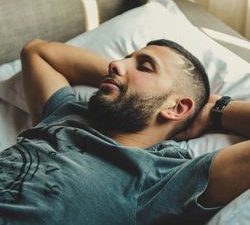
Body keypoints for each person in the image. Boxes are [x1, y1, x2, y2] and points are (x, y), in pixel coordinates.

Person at [0, 39, 250, 225]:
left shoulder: (164, 178)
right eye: (124, 59)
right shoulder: (67, 113)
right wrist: (121, 76)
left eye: (145, 67)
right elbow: (37, 51)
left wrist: (217, 109)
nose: (114, 64)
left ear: (177, 107)